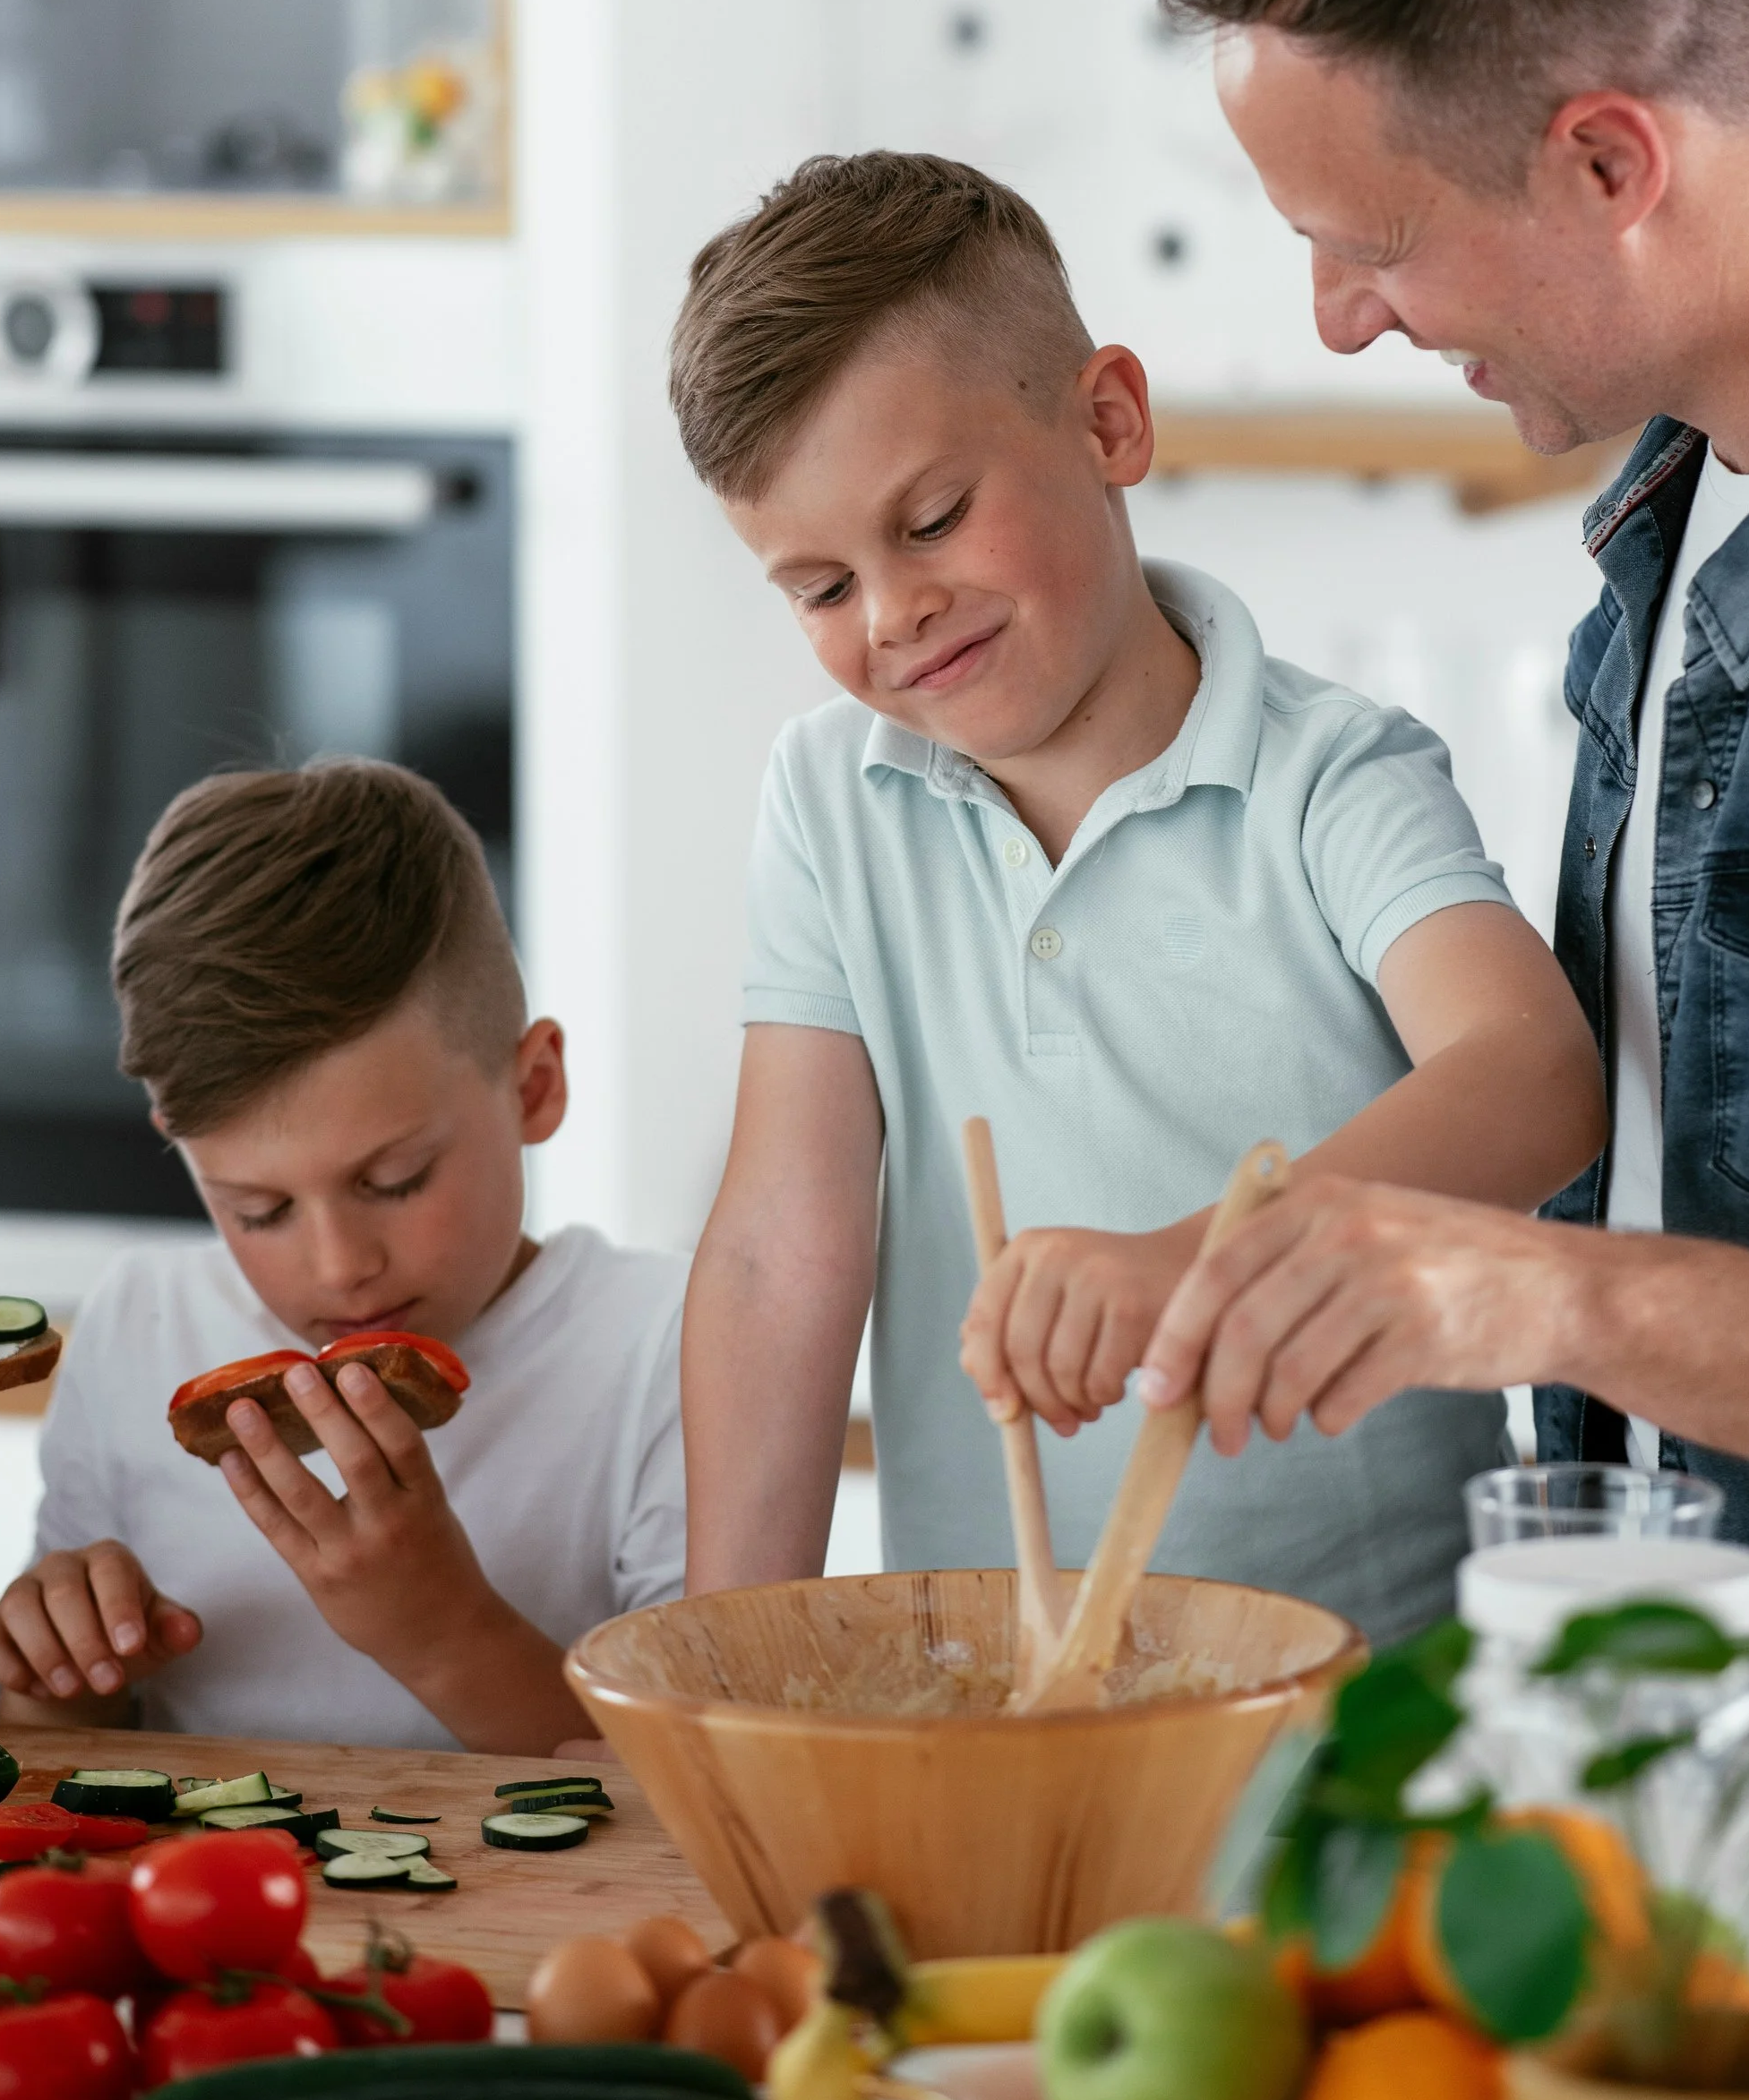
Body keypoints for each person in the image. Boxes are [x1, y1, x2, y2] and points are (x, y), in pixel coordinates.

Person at [1135, 0, 1749, 1745]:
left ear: (1609, 157)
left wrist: (1539, 1294)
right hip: (1716, 1807)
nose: (1345, 317)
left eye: (1374, 242)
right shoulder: (1677, 501)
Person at [673, 150, 1605, 1644]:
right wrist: (717, 1654)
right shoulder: (826, 800)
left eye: (930, 521)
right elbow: (784, 1242)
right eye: (820, 588)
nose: (893, 614)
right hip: (1007, 1692)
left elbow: (1536, 1075)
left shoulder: (1332, 775)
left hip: (1363, 1700)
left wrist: (1198, 1263)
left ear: (1110, 422)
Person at [0, 758, 684, 1749]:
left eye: (394, 1181)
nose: (340, 1266)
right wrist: (60, 1669)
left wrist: (444, 1633)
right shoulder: (141, 1322)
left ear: (532, 1088)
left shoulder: (671, 1348)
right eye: (257, 1209)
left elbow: (713, 1796)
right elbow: (57, 1755)